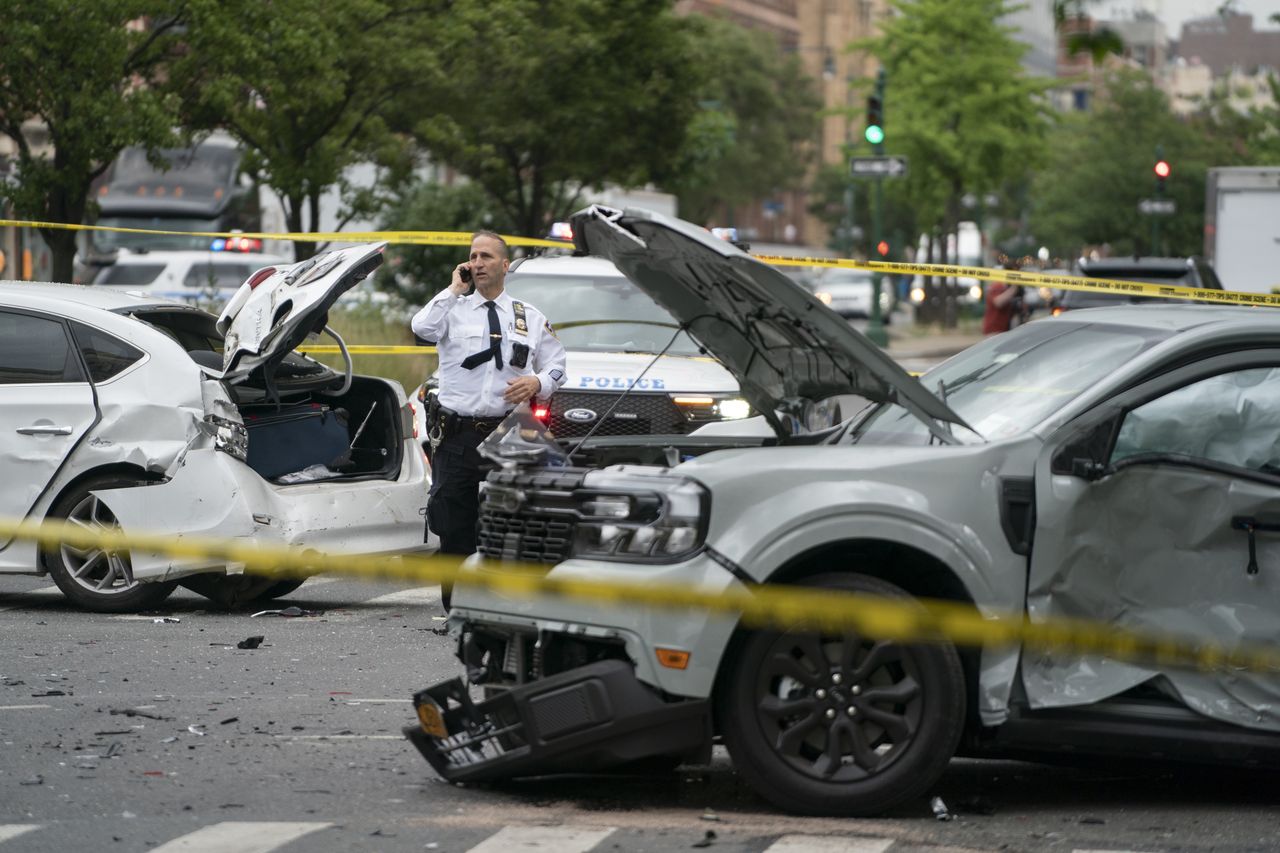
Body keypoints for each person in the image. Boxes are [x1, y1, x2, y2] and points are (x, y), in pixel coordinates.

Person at [411, 231, 567, 602]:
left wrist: (537, 382)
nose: (477, 263)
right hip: (457, 431)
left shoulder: (528, 316)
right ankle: (456, 607)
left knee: (519, 517)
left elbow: (559, 367)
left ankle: (513, 602)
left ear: (504, 265)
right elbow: (421, 328)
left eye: (485, 256)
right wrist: (452, 290)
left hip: (510, 431)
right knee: (452, 522)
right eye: (472, 257)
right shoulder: (452, 310)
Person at [982, 259, 1024, 335]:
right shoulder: (998, 286)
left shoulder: (1007, 287)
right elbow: (998, 302)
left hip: (1003, 330)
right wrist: (1014, 288)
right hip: (994, 330)